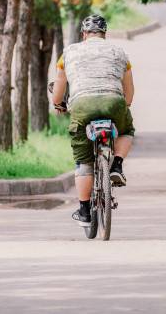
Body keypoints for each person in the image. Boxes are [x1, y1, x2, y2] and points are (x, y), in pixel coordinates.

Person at [51, 14, 135, 227]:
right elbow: (129, 93)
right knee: (127, 131)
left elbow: (58, 89)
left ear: (84, 34)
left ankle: (84, 212)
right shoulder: (120, 53)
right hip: (114, 102)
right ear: (105, 34)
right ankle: (116, 165)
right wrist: (123, 106)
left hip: (82, 104)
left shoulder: (68, 53)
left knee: (83, 161)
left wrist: (59, 104)